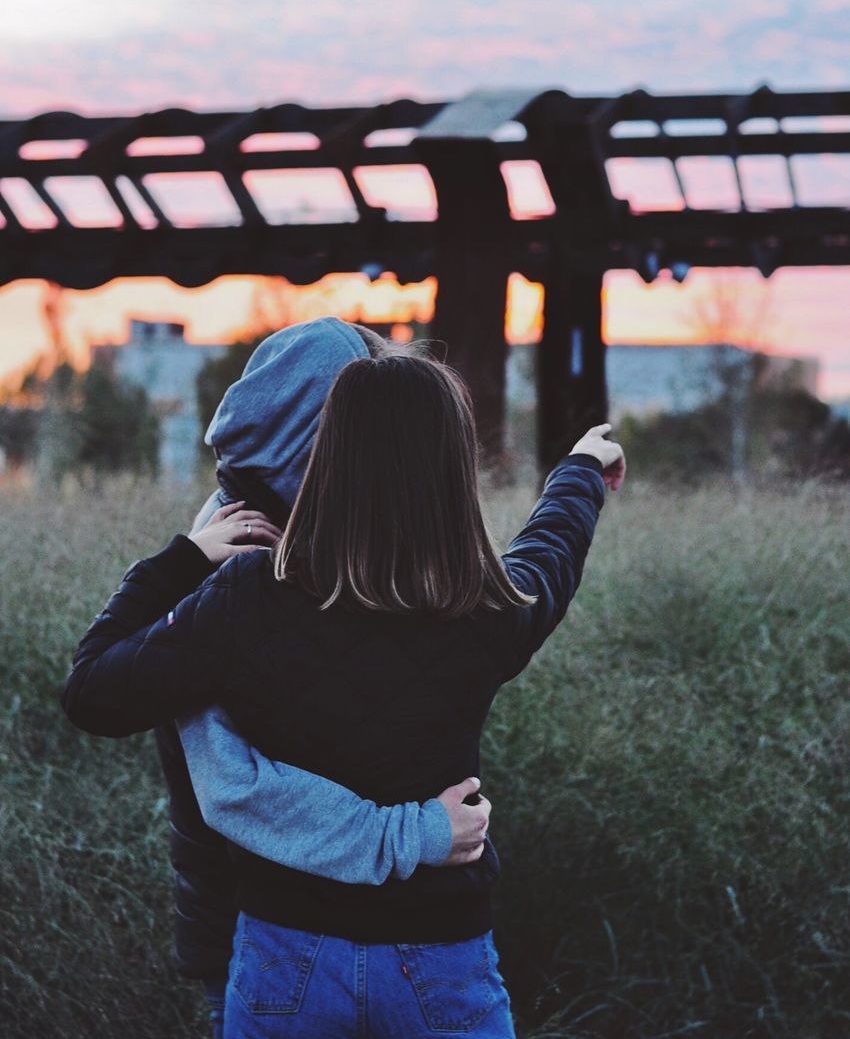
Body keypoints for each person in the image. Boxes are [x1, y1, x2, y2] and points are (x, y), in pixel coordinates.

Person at [63, 345, 625, 1037]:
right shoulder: (489, 607)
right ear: (451, 470)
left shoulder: (245, 594)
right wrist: (581, 471)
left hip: (285, 952)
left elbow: (91, 691)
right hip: (442, 952)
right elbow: (551, 552)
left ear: (327, 456)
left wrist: (184, 558)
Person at [150, 318, 493, 1035]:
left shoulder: (316, 546)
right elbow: (231, 788)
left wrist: (578, 481)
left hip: (324, 932)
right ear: (322, 433)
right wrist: (419, 834)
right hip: (258, 931)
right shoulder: (238, 563)